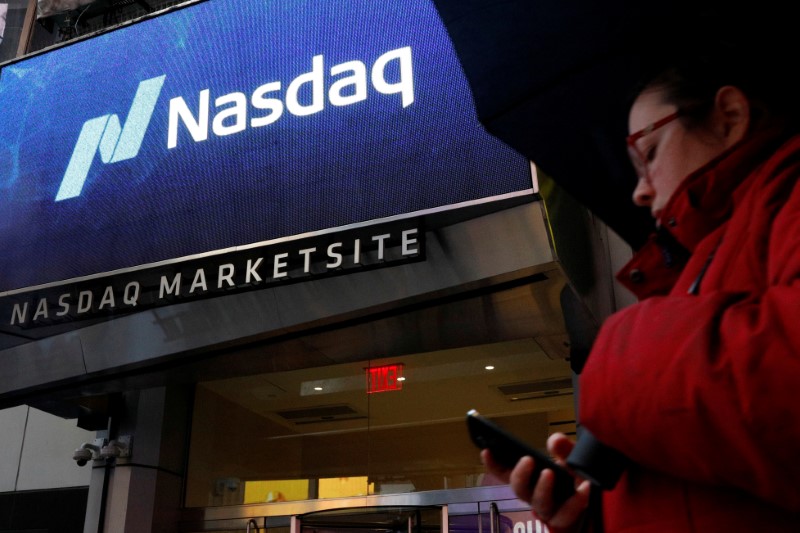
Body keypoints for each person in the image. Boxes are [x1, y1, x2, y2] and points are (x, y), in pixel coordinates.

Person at [482, 34, 800, 532]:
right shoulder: (707, 260)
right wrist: (596, 512)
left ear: (730, 116)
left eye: (647, 151)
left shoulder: (785, 199)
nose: (640, 190)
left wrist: (622, 352)